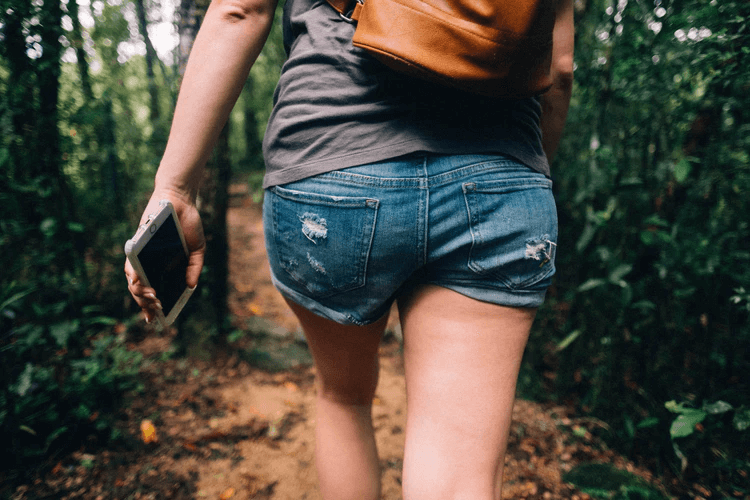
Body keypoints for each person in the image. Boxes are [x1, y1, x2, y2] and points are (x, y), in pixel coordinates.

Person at [125, 0, 574, 496]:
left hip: (330, 166)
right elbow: (559, 67)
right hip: (498, 169)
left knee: (344, 399)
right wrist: (513, 185)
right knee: (459, 478)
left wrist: (175, 188)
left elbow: (240, 11)